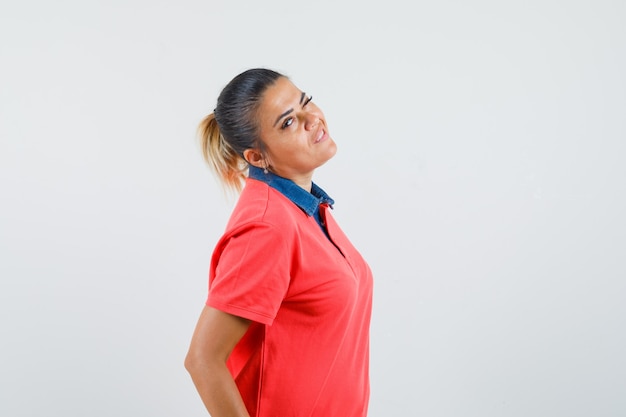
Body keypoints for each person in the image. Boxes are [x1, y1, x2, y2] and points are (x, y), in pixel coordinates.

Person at [184, 68, 373, 417]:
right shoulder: (267, 226)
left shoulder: (306, 209)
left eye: (307, 102)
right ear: (256, 157)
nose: (311, 119)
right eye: (287, 122)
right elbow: (203, 359)